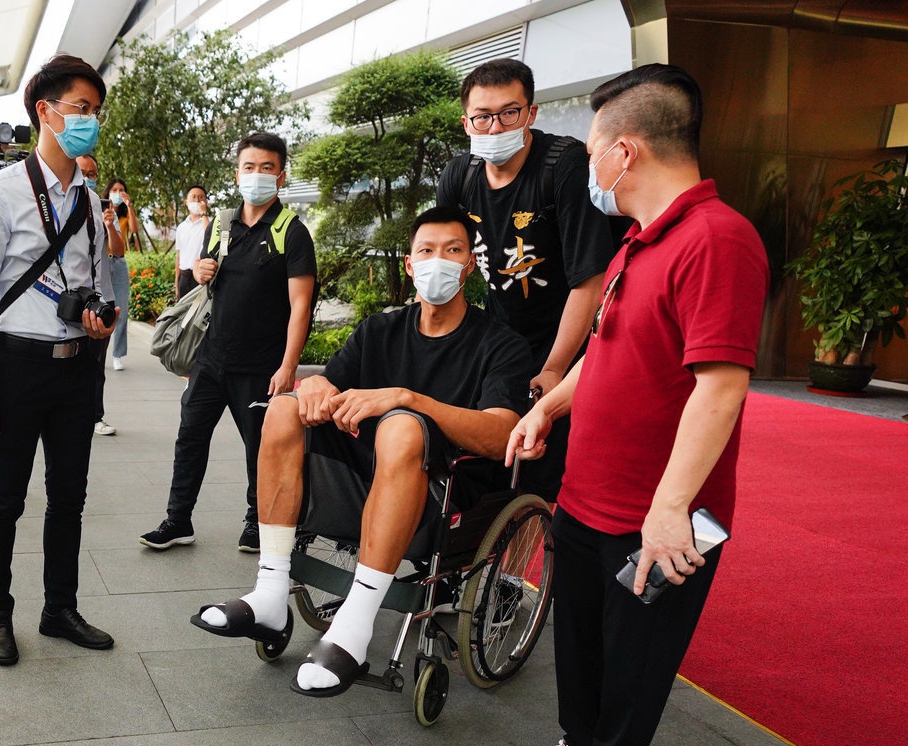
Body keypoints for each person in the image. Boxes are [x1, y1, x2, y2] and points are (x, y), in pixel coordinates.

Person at [501, 64, 768, 746]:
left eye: (593, 151)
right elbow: (604, 348)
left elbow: (721, 386)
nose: (589, 168)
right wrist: (547, 407)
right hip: (590, 493)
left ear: (626, 151)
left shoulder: (718, 240)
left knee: (634, 657)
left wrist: (671, 507)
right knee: (581, 638)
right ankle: (578, 745)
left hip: (658, 515)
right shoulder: (639, 241)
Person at [191, 206, 532, 694]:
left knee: (402, 427)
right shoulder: (380, 330)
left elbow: (502, 435)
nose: (439, 260)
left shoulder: (500, 345)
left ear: (469, 265)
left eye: (453, 250)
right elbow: (329, 384)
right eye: (426, 251)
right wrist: (313, 388)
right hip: (363, 486)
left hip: (443, 499)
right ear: (410, 264)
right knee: (283, 409)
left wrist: (408, 400)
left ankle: (355, 625)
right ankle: (269, 594)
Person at [0, 54, 118, 666]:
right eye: (81, 108)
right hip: (16, 367)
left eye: (95, 111)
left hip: (75, 368)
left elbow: (95, 282)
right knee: (5, 499)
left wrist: (100, 317)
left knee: (69, 498)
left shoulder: (89, 201)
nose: (89, 121)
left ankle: (60, 609)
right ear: (45, 112)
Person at [436, 58, 616, 504]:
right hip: (501, 339)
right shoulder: (460, 175)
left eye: (509, 113)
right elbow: (443, 259)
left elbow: (589, 281)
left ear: (531, 113)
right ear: (466, 123)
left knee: (549, 470)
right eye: (483, 116)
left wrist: (555, 367)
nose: (495, 127)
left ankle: (547, 536)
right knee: (483, 459)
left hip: (568, 342)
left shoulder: (564, 165)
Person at [140, 131, 317, 554]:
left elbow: (301, 307)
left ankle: (256, 520)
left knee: (260, 447)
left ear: (281, 176)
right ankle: (178, 520)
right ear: (237, 173)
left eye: (267, 168)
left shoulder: (292, 232)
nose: (257, 175)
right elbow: (210, 281)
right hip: (211, 358)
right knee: (190, 437)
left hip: (261, 365)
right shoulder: (221, 225)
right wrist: (202, 271)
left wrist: (288, 367)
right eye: (249, 167)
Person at [76, 154, 127, 436]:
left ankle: (95, 416)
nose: (88, 177)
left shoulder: (102, 208)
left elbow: (118, 252)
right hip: (69, 298)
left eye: (92, 173)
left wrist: (109, 226)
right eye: (83, 172)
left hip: (101, 297)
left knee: (96, 363)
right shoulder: (57, 204)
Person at [101, 177, 136, 372]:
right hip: (101, 262)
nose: (117, 193)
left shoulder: (122, 216)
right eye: (114, 189)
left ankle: (117, 354)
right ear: (107, 192)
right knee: (100, 309)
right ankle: (99, 351)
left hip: (119, 263)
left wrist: (129, 206)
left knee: (121, 311)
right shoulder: (98, 210)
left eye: (121, 190)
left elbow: (134, 229)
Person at [174, 185, 209, 299]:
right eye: (193, 197)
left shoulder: (210, 223)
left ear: (206, 202)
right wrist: (176, 281)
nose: (197, 200)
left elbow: (209, 236)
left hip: (200, 276)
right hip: (184, 276)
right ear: (186, 202)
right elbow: (179, 255)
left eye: (201, 197)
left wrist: (203, 213)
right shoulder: (181, 227)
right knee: (183, 308)